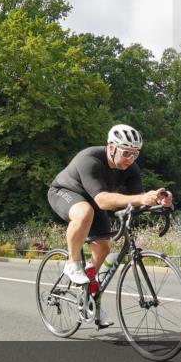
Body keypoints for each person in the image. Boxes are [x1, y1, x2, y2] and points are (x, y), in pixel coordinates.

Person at [47, 124, 173, 328]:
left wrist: (159, 201)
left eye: (135, 154)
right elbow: (103, 201)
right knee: (84, 212)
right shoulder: (90, 159)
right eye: (126, 153)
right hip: (65, 192)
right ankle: (72, 262)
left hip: (95, 202)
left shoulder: (131, 168)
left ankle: (89, 299)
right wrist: (141, 199)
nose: (130, 159)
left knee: (104, 249)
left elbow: (137, 199)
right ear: (112, 148)